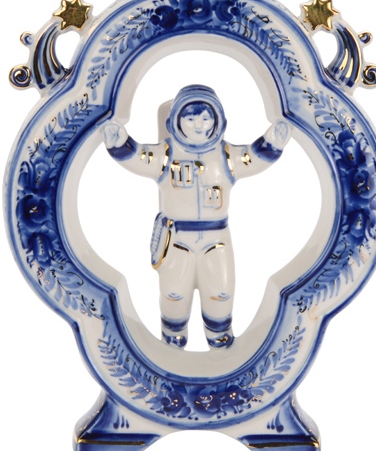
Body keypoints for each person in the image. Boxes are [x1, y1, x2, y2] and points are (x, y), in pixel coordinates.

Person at [102, 85, 290, 349]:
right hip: (178, 238)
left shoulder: (225, 156)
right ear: (176, 121)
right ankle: (172, 343)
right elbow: (140, 157)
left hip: (216, 238)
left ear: (218, 121)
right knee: (174, 294)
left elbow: (251, 158)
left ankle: (220, 342)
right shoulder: (166, 155)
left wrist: (273, 142)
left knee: (220, 292)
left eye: (205, 118)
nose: (199, 125)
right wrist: (119, 143)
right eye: (190, 118)